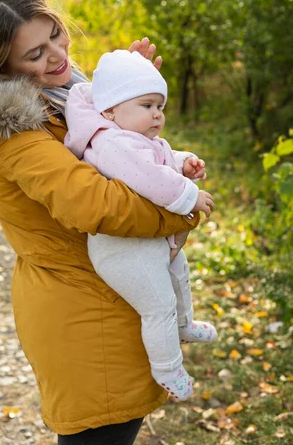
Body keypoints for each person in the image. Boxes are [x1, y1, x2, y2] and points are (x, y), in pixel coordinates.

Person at [0, 0, 201, 445]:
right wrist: (183, 209)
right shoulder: (14, 134)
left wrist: (131, 102)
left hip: (104, 296)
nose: (58, 55)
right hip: (82, 312)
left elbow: (123, 160)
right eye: (35, 54)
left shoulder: (63, 99)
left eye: (56, 35)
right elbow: (97, 204)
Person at [64, 50, 217, 401]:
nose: (157, 114)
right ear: (111, 111)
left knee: (179, 273)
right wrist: (190, 195)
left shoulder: (134, 138)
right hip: (121, 250)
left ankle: (183, 325)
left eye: (159, 106)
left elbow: (160, 156)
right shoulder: (111, 142)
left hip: (145, 241)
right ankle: (167, 367)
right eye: (146, 105)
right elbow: (149, 176)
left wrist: (184, 163)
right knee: (158, 303)